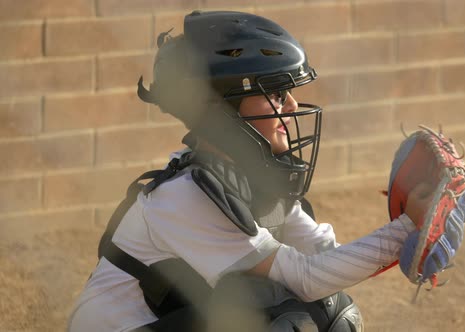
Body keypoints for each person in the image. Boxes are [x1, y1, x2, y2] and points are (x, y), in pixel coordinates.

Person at [68, 10, 436, 332]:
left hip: (166, 322)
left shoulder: (245, 176)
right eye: (275, 93)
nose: (290, 107)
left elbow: (324, 256)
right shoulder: (186, 194)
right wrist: (405, 227)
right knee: (280, 319)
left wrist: (412, 233)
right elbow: (307, 278)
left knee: (332, 311)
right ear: (221, 109)